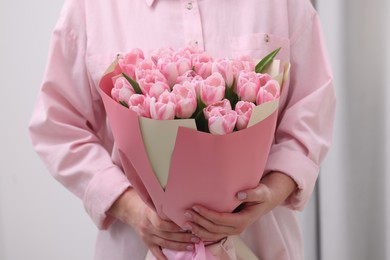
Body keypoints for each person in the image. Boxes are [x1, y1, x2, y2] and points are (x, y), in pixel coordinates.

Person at [29, 0, 336, 259]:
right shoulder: (91, 8)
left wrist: (271, 191)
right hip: (138, 248)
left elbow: (312, 106)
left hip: (261, 244)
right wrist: (130, 207)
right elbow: (57, 125)